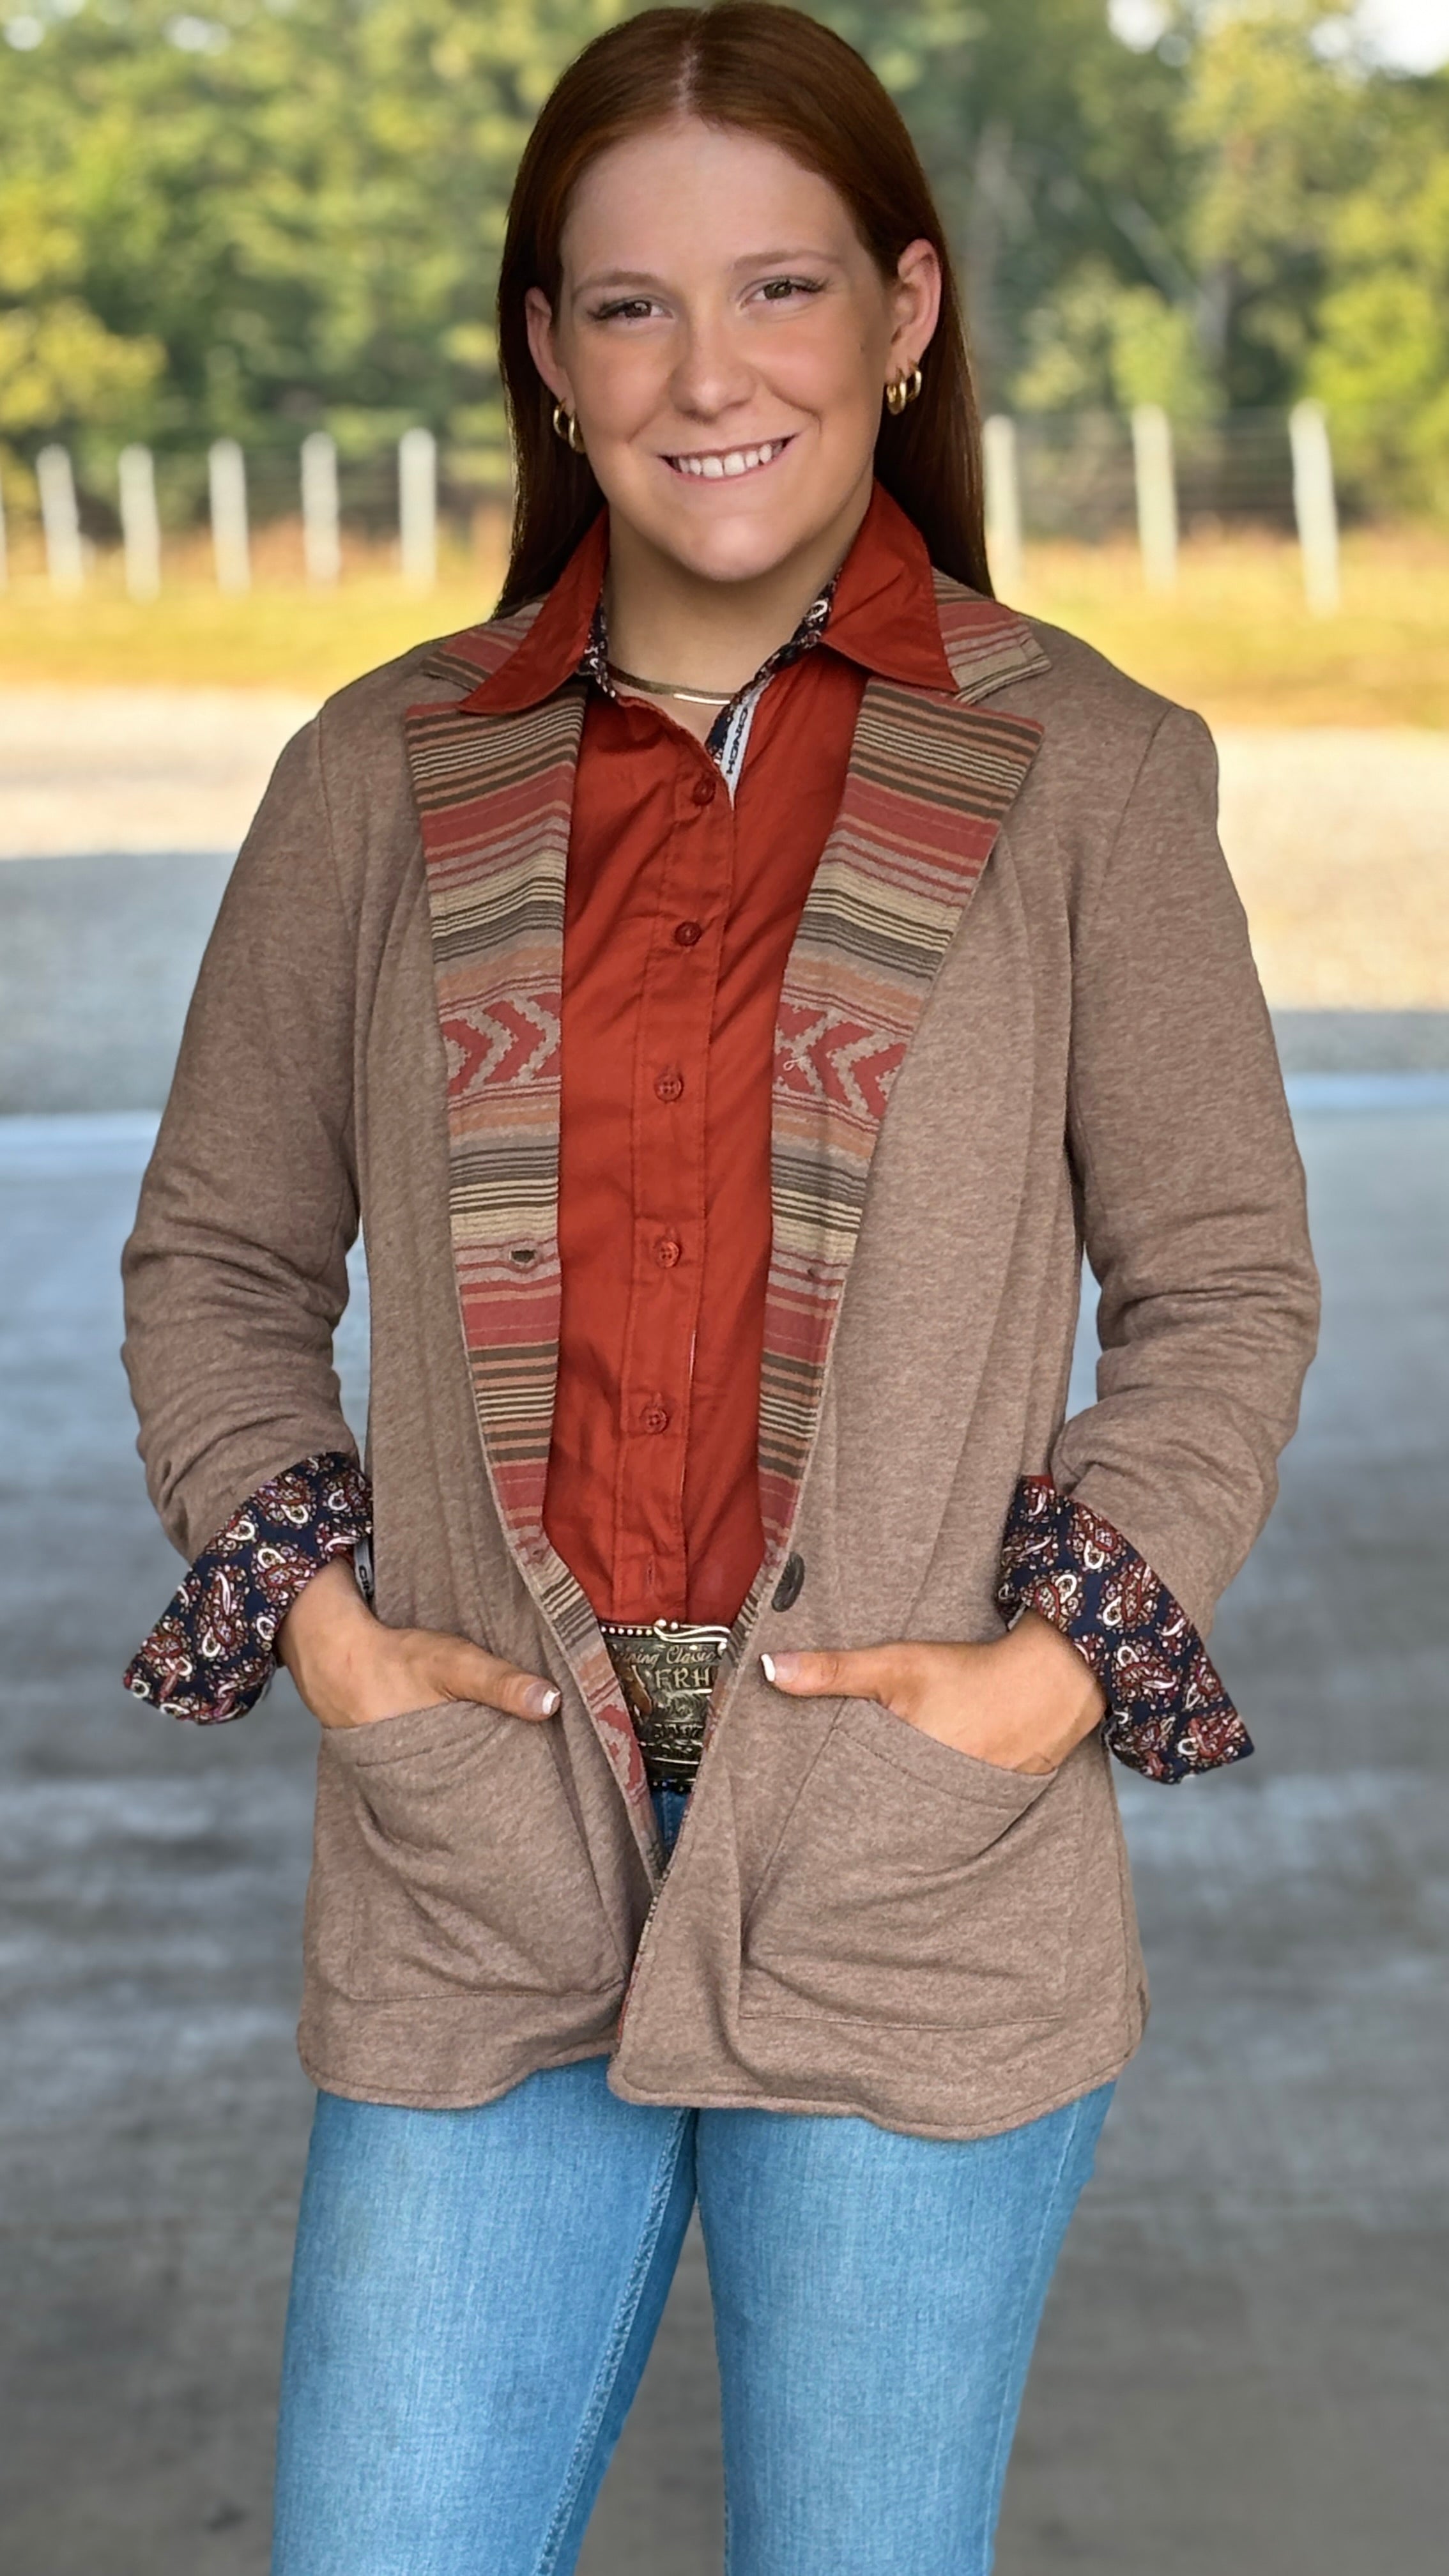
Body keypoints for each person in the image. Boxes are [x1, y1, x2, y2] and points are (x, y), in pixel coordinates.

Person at [119, 6, 1319, 2568]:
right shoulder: (379, 772)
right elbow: (219, 1257)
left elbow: (1223, 1288)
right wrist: (328, 1632)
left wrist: (1053, 1676)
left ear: (905, 312)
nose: (708, 375)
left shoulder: (1091, 769)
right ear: (547, 357)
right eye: (631, 305)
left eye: (779, 288)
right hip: (480, 1854)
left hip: (910, 1866)